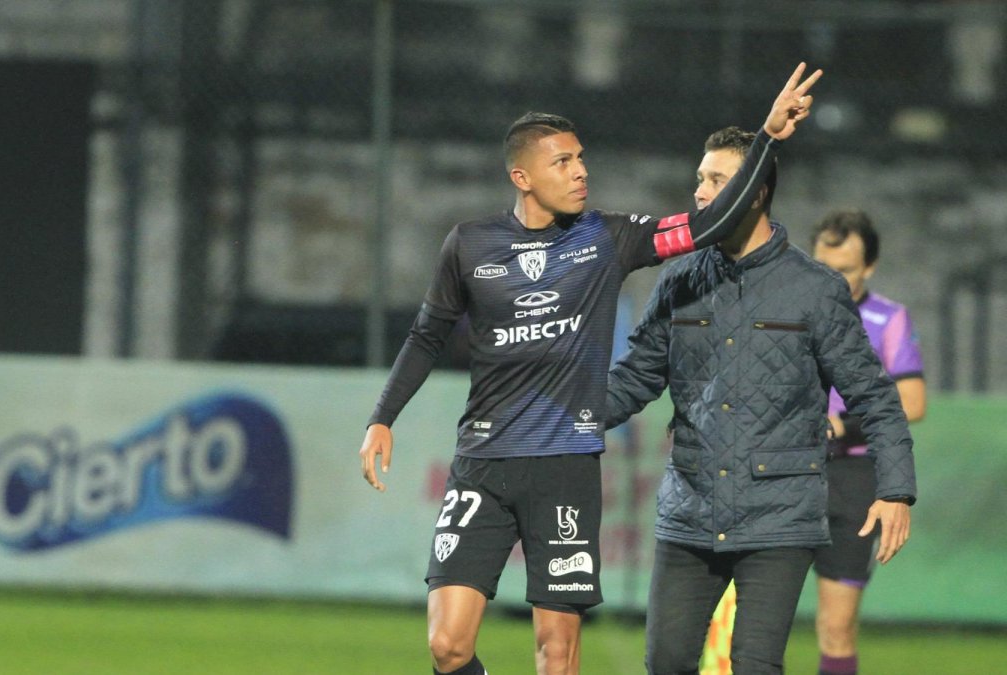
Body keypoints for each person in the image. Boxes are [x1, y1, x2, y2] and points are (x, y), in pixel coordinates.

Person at [358, 63, 823, 675]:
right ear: (521, 176)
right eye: (562, 163)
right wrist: (382, 418)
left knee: (557, 653)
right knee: (448, 645)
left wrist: (765, 139)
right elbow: (426, 335)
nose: (580, 172)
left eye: (580, 159)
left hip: (564, 470)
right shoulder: (469, 244)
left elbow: (709, 222)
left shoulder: (609, 238)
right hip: (482, 463)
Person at [605, 127, 917, 675]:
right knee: (667, 663)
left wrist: (895, 490)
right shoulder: (677, 279)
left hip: (781, 516)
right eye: (699, 179)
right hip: (689, 511)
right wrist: (557, 416)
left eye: (716, 180)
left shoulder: (817, 288)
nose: (699, 193)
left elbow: (874, 394)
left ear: (755, 192)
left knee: (754, 664)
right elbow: (633, 380)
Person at [810, 209, 926, 675]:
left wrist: (843, 425)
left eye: (845, 270)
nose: (831, 278)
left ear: (870, 269)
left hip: (852, 476)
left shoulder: (888, 318)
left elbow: (913, 401)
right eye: (822, 266)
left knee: (836, 627)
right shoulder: (788, 309)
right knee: (751, 622)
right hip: (782, 472)